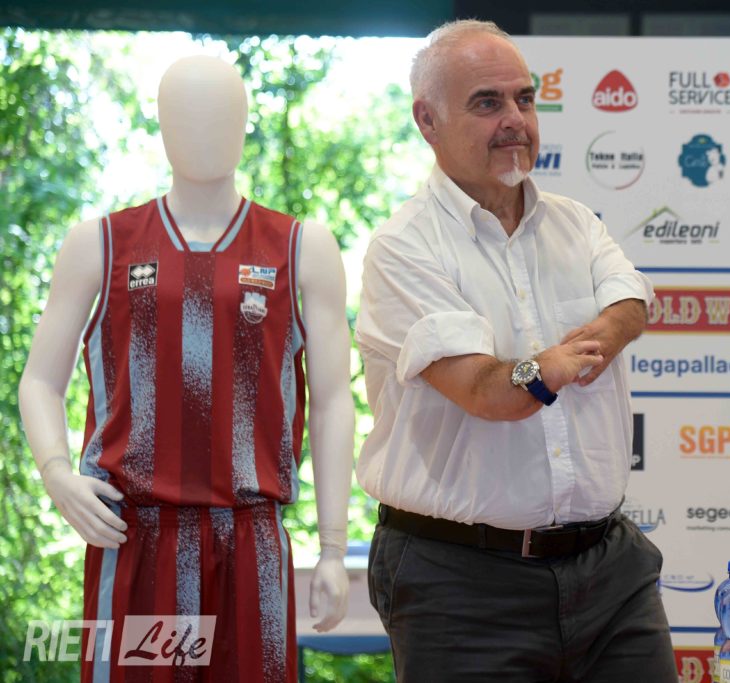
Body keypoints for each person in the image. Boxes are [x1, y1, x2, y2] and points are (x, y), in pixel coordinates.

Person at [355, 20, 677, 682]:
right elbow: (485, 392)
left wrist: (571, 354)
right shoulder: (404, 248)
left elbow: (631, 305)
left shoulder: (576, 222)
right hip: (461, 583)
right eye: (487, 102)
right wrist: (547, 368)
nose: (514, 120)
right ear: (427, 120)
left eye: (524, 99)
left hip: (609, 571)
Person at [18, 56, 354, 681]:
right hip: (136, 537)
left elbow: (335, 400)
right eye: (186, 115)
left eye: (221, 115)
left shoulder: (300, 247)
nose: (204, 131)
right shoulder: (101, 243)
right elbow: (40, 380)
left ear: (246, 123)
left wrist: (333, 546)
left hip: (252, 539)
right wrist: (57, 473)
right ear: (162, 126)